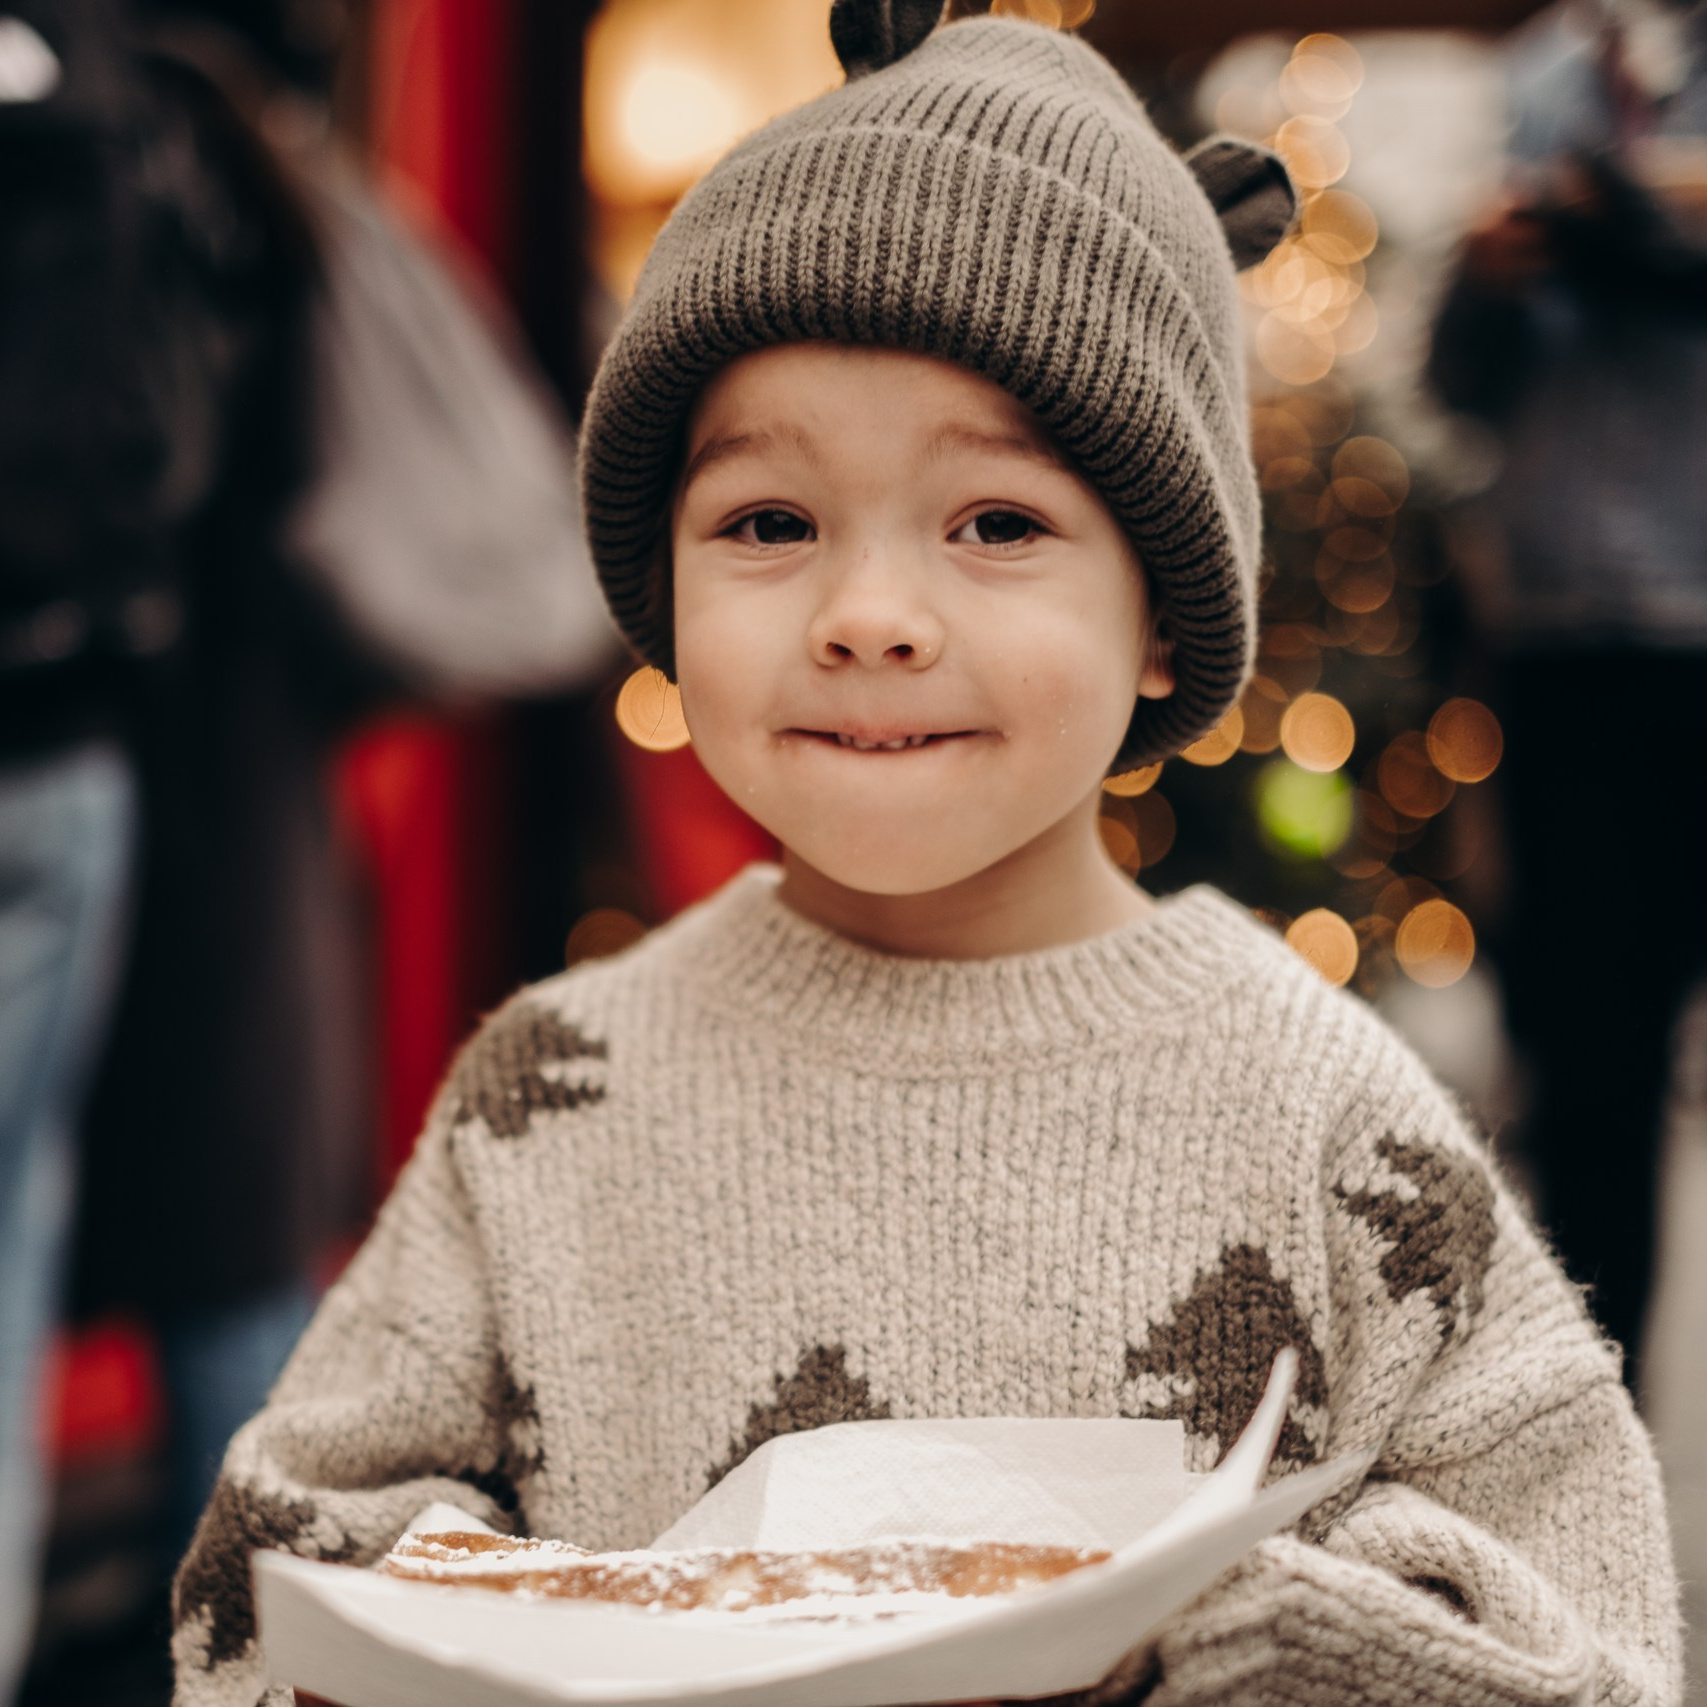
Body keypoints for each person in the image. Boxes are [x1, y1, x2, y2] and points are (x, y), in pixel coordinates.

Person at [171, 4, 1682, 1705]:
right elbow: (268, 1575)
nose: (871, 614)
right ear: (662, 584)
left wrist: (1306, 1641)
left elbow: (1600, 1641)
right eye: (769, 522)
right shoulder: (550, 1097)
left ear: (1167, 620)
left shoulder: (1327, 1122)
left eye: (998, 524)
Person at [1427, 0, 1707, 1395]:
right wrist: (1482, 278)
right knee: (1589, 1061)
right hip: (1566, 641)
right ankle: (1601, 1433)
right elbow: (1459, 389)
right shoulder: (1546, 70)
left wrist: (1659, 230)